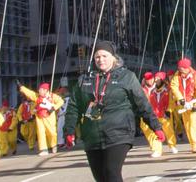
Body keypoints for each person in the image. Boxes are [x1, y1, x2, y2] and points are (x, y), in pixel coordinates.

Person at [64, 42, 165, 182]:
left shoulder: (127, 77)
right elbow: (74, 106)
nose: (101, 60)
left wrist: (156, 127)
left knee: (111, 172)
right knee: (100, 177)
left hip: (119, 133)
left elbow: (142, 103)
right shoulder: (84, 80)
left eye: (105, 56)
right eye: (97, 57)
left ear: (113, 57)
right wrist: (69, 131)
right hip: (92, 136)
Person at [169, 58, 196, 153]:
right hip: (184, 104)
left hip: (194, 103)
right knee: (187, 125)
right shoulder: (177, 75)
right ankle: (193, 144)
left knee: (193, 122)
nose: (180, 70)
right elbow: (174, 86)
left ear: (187, 68)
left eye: (182, 68)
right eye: (179, 68)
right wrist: (180, 98)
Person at [17, 82, 63, 155]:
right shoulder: (37, 97)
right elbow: (30, 93)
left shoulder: (52, 96)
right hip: (39, 117)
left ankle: (53, 145)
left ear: (45, 90)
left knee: (51, 132)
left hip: (49, 117)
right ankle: (43, 149)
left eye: (41, 89)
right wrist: (22, 88)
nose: (39, 91)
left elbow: (61, 101)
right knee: (40, 133)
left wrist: (53, 108)